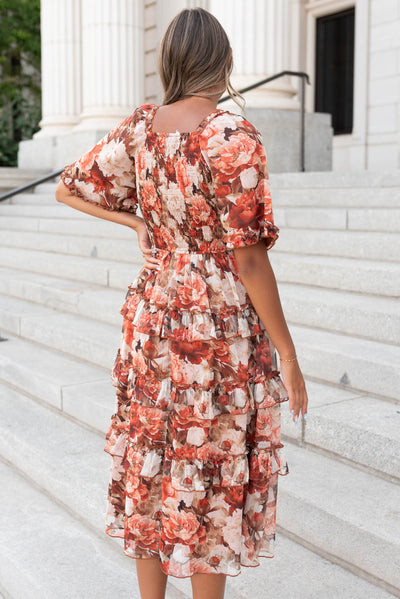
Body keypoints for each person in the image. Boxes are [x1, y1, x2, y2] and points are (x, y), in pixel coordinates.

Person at [55, 7, 308, 599]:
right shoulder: (231, 135)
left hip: (153, 314)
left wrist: (137, 223)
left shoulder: (142, 127)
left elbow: (69, 187)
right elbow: (247, 258)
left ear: (169, 61)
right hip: (216, 323)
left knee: (153, 455)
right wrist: (288, 354)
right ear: (221, 62)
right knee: (211, 467)